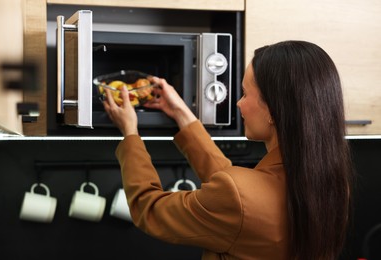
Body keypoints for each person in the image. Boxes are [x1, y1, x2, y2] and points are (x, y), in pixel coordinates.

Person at [103, 40, 353, 260]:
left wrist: (130, 133)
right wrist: (182, 115)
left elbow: (151, 208)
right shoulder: (332, 186)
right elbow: (241, 195)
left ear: (274, 111)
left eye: (245, 93)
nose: (238, 103)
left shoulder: (238, 196)